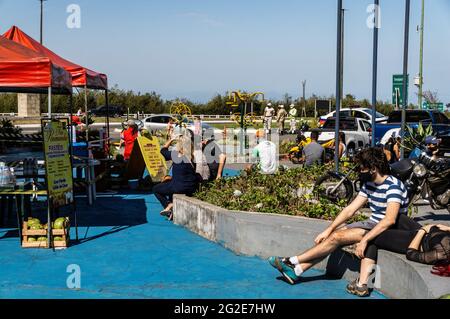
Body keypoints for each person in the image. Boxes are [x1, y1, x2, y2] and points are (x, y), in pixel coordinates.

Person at [268, 147, 409, 288]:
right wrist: (328, 229)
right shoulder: (369, 184)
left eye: (362, 168)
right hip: (373, 223)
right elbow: (350, 210)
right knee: (333, 236)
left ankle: (291, 261)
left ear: (373, 168)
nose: (360, 171)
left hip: (388, 230)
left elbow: (389, 220)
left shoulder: (393, 186)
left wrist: (365, 240)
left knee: (337, 238)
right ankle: (297, 270)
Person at [349, 217, 450, 296]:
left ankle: (362, 284)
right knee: (397, 217)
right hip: (426, 233)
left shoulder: (442, 253)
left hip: (415, 239)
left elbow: (411, 253)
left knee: (373, 238)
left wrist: (422, 231)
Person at [153, 135, 199, 220]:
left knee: (156, 189)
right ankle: (172, 207)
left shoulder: (176, 155)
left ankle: (168, 205)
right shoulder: (192, 158)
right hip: (192, 187)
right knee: (171, 185)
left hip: (179, 186)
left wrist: (171, 140)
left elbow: (163, 150)